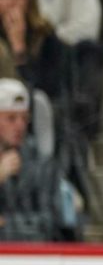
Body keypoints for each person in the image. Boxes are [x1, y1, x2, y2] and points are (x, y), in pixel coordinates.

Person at [0, 75, 67, 240]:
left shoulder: (42, 164)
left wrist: (6, 225)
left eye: (24, 118)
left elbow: (50, 222)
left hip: (32, 258)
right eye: (11, 118)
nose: (20, 125)